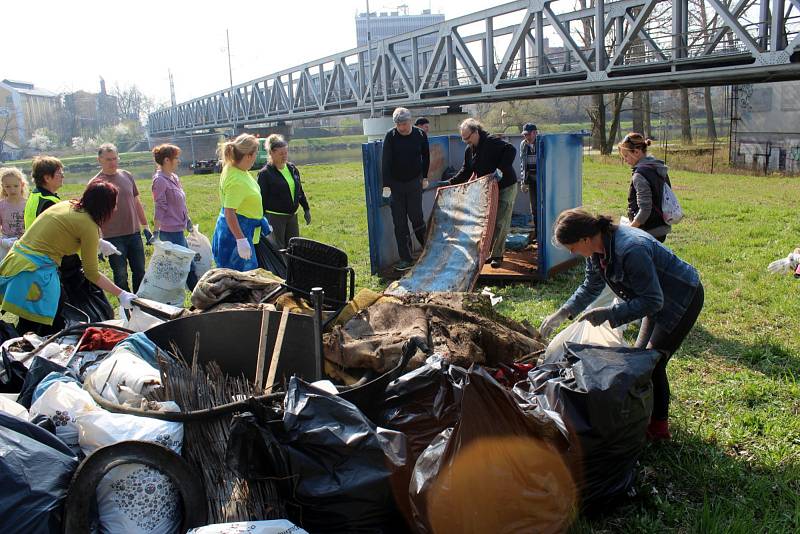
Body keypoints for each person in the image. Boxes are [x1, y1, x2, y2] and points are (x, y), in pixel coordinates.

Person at [539, 208, 704, 441]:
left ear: (585, 238)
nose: (572, 252)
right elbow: (590, 287)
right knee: (639, 359)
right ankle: (644, 416)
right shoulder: (597, 251)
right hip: (652, 297)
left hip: (681, 297)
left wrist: (610, 313)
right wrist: (563, 312)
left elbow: (653, 301)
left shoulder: (629, 249)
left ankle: (659, 429)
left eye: (572, 247)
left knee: (653, 362)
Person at [0, 180, 136, 335]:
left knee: (35, 319)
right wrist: (121, 293)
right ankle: (24, 349)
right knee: (46, 319)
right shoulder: (88, 225)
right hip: (33, 272)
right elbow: (92, 273)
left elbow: (60, 231)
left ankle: (20, 346)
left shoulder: (68, 205)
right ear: (104, 206)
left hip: (17, 262)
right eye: (114, 204)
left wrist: (97, 242)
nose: (116, 208)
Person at [449, 118, 518, 269]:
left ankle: (497, 255)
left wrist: (500, 169)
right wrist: (450, 183)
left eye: (467, 137)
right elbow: (466, 170)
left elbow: (511, 150)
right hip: (489, 188)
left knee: (501, 220)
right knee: (489, 221)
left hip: (506, 186)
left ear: (476, 132)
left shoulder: (492, 141)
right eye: (463, 138)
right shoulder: (470, 150)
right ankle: (488, 252)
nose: (465, 141)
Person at [92, 143, 152, 292]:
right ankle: (126, 306)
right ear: (99, 160)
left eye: (115, 158)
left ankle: (140, 303)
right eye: (108, 160)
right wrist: (97, 242)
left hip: (134, 233)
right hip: (112, 238)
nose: (113, 162)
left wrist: (145, 227)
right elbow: (92, 215)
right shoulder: (95, 183)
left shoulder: (127, 175)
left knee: (140, 271)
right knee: (120, 275)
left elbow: (136, 202)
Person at [212, 133, 271, 271]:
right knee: (240, 279)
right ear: (248, 156)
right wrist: (240, 240)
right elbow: (229, 212)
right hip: (235, 236)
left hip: (245, 232)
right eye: (255, 154)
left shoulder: (236, 168)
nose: (256, 157)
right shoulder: (236, 181)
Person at [381, 107, 430, 271]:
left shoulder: (420, 135)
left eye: (404, 123)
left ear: (410, 121)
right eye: (399, 124)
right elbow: (385, 161)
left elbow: (426, 156)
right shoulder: (391, 136)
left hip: (414, 182)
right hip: (396, 184)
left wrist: (425, 177)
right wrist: (386, 185)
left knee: (417, 218)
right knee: (400, 223)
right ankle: (406, 258)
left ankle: (429, 251)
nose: (402, 127)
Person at [151, 144, 197, 290]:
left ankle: (196, 298)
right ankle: (200, 301)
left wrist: (188, 219)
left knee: (188, 264)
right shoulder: (160, 181)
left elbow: (181, 203)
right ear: (166, 160)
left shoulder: (174, 178)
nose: (178, 161)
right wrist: (156, 232)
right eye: (176, 158)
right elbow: (160, 206)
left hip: (179, 228)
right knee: (187, 265)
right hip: (169, 232)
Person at [256, 134, 311, 250]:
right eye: (281, 154)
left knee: (294, 248)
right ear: (271, 153)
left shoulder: (292, 168)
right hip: (275, 218)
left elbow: (299, 190)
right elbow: (261, 199)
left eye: (286, 153)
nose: (284, 156)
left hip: (292, 216)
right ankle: (280, 269)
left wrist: (306, 208)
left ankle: (292, 268)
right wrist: (262, 220)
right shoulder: (265, 174)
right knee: (277, 249)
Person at [619, 132, 672, 242]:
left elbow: (645, 209)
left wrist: (630, 229)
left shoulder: (640, 175)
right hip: (661, 226)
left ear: (637, 152)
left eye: (626, 156)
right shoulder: (657, 168)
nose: (625, 160)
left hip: (647, 231)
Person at [24, 156, 64, 229]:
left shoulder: (35, 194)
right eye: (59, 173)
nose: (63, 176)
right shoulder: (48, 202)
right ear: (47, 178)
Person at [0, 167, 28, 257]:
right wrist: (3, 242)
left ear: (22, 185)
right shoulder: (1, 205)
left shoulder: (29, 204)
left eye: (16, 186)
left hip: (26, 244)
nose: (12, 190)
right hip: (6, 246)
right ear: (3, 187)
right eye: (8, 186)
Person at [519, 123, 538, 229]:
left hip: (543, 180)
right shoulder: (523, 144)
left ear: (535, 133)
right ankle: (537, 232)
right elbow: (523, 164)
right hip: (531, 179)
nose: (526, 137)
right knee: (534, 208)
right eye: (525, 135)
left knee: (544, 206)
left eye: (528, 134)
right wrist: (523, 182)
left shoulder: (542, 142)